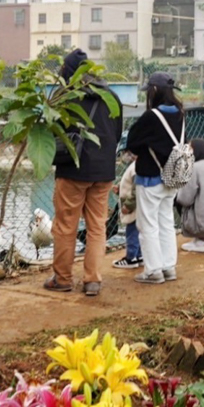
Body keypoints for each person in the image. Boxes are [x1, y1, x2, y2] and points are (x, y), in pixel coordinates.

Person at [46, 49, 123, 296]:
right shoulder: (111, 95)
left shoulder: (65, 96)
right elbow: (117, 131)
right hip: (104, 171)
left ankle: (63, 279)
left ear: (68, 72)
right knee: (97, 226)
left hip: (73, 169)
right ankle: (92, 280)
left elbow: (52, 134)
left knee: (66, 226)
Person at [126, 71, 185, 284]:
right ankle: (169, 267)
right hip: (172, 177)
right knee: (166, 222)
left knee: (148, 225)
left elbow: (132, 142)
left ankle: (153, 271)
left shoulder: (151, 116)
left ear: (154, 91)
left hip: (150, 177)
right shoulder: (180, 113)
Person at [111, 155, 143, 269]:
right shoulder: (137, 165)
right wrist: (120, 189)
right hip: (138, 206)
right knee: (138, 232)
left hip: (133, 207)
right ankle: (139, 255)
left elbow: (135, 189)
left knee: (132, 232)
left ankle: (131, 258)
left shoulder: (136, 167)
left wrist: (128, 205)